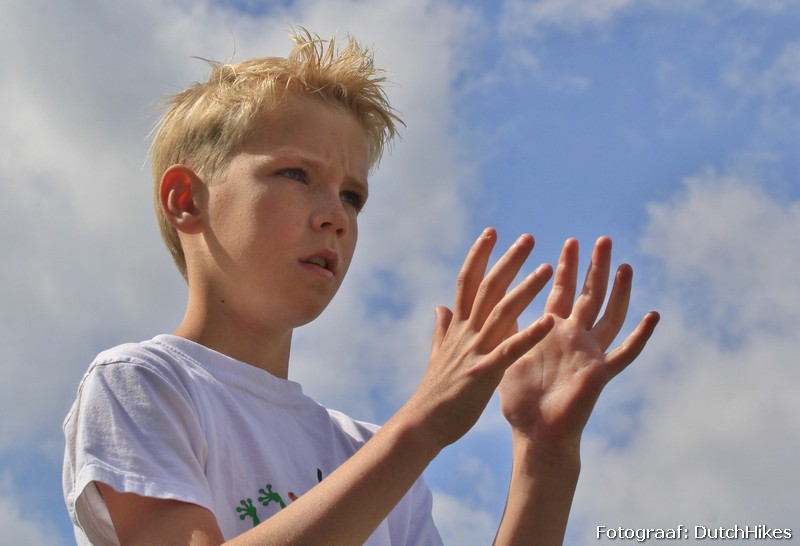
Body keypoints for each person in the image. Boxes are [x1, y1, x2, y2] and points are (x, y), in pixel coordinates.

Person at [62, 29, 659, 545]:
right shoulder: (141, 384)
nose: (336, 216)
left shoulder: (366, 453)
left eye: (353, 196)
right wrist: (423, 424)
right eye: (297, 173)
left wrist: (544, 455)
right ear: (186, 200)